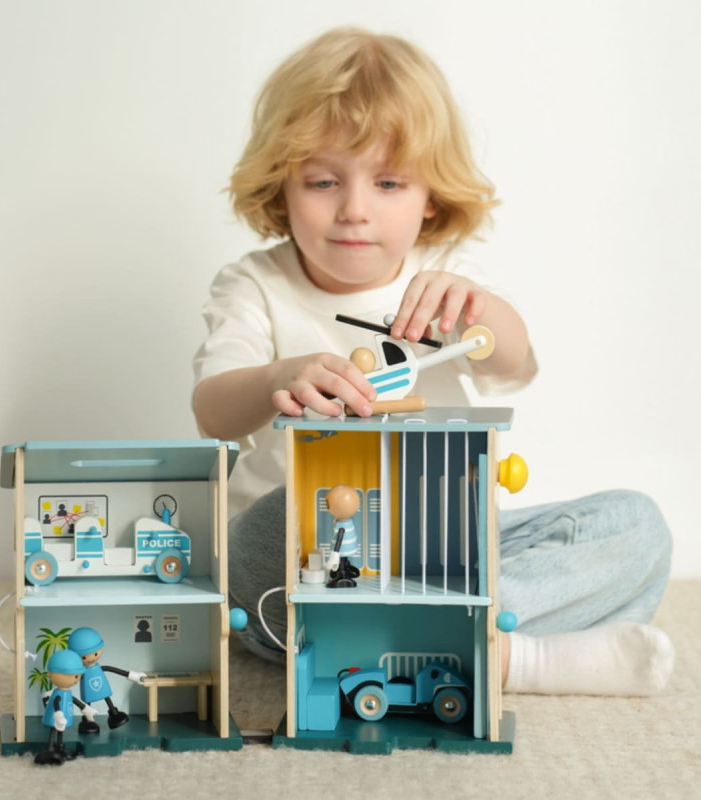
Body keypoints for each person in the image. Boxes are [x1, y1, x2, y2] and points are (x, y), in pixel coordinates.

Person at [192, 27, 674, 696]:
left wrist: (480, 309)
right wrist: (277, 377)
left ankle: (451, 642)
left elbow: (515, 362)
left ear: (432, 197)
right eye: (323, 181)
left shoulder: (447, 277)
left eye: (388, 182)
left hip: (444, 553)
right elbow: (213, 411)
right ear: (281, 187)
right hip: (304, 561)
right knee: (267, 531)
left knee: (636, 527)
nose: (354, 210)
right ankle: (511, 656)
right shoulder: (254, 284)